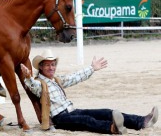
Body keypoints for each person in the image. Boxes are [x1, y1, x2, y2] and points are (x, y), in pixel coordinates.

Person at [20, 49, 158, 134]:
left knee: (105, 112)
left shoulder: (57, 80)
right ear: (41, 67)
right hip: (59, 118)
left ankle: (141, 121)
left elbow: (74, 77)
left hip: (72, 110)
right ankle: (112, 128)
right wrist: (28, 77)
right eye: (48, 65)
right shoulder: (39, 82)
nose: (51, 67)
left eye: (53, 64)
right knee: (86, 120)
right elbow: (33, 87)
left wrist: (92, 68)